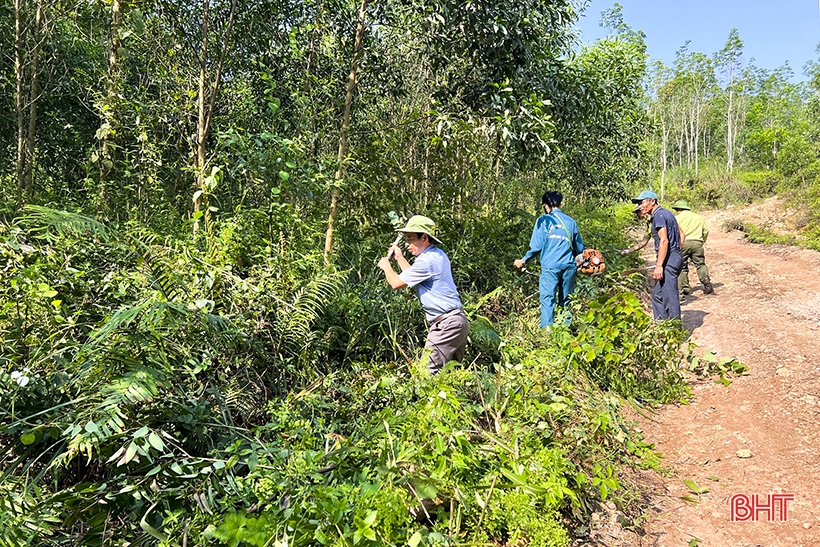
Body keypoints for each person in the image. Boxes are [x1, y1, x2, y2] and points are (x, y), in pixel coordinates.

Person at [378, 215, 468, 374]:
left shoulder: (427, 261)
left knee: (426, 376)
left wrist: (386, 266)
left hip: (446, 325)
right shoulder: (436, 255)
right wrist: (399, 258)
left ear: (424, 238)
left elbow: (396, 283)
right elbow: (413, 277)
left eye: (410, 239)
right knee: (449, 377)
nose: (407, 244)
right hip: (457, 322)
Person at [514, 191, 584, 328]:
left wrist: (523, 260)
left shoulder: (543, 221)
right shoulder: (571, 222)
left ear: (546, 206)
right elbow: (579, 248)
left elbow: (536, 247)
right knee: (566, 300)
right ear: (561, 204)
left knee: (547, 300)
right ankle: (565, 333)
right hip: (569, 266)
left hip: (550, 267)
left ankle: (547, 334)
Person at [631, 190, 683, 321]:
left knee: (670, 297)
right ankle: (661, 327)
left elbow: (664, 240)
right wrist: (676, 251)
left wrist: (660, 265)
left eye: (642, 202)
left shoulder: (658, 216)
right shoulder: (667, 214)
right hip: (672, 257)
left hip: (668, 260)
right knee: (657, 296)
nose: (640, 206)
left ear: (652, 201)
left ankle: (675, 332)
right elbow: (682, 234)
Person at [672, 199, 714, 295]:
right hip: (697, 242)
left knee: (682, 266)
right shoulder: (698, 217)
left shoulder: (676, 218)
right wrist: (702, 240)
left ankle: (685, 288)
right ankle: (706, 281)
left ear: (679, 209)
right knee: (700, 264)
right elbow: (706, 231)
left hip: (683, 243)